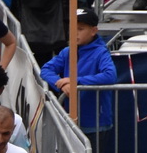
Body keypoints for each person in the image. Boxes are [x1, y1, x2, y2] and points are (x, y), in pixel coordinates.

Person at [38, 10, 116, 140]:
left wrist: (75, 82)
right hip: (71, 118)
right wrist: (61, 84)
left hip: (95, 123)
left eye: (80, 29)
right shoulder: (67, 51)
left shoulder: (101, 52)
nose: (74, 32)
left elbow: (110, 75)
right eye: (72, 28)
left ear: (93, 31)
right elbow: (45, 70)